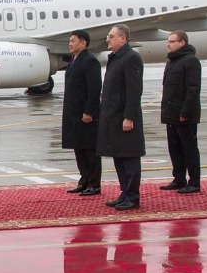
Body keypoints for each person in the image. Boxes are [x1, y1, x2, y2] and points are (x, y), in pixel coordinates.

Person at [97, 25, 145, 210]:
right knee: (119, 156)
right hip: (113, 116)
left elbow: (134, 91)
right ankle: (125, 193)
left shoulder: (131, 58)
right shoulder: (116, 58)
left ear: (123, 38)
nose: (107, 39)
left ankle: (132, 196)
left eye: (111, 36)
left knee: (129, 157)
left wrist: (129, 117)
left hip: (124, 117)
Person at [159, 30, 201, 193]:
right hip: (171, 113)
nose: (168, 44)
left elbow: (193, 90)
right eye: (168, 41)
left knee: (189, 149)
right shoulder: (171, 61)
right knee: (175, 148)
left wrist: (185, 112)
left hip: (184, 115)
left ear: (182, 42)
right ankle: (179, 178)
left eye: (172, 41)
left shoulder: (190, 61)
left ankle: (194, 182)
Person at [60, 30, 102, 194]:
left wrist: (89, 111)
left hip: (85, 114)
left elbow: (94, 88)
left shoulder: (90, 61)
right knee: (79, 148)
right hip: (73, 113)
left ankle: (94, 183)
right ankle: (84, 180)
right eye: (69, 41)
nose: (70, 44)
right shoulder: (73, 61)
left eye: (73, 41)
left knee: (89, 149)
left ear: (83, 43)